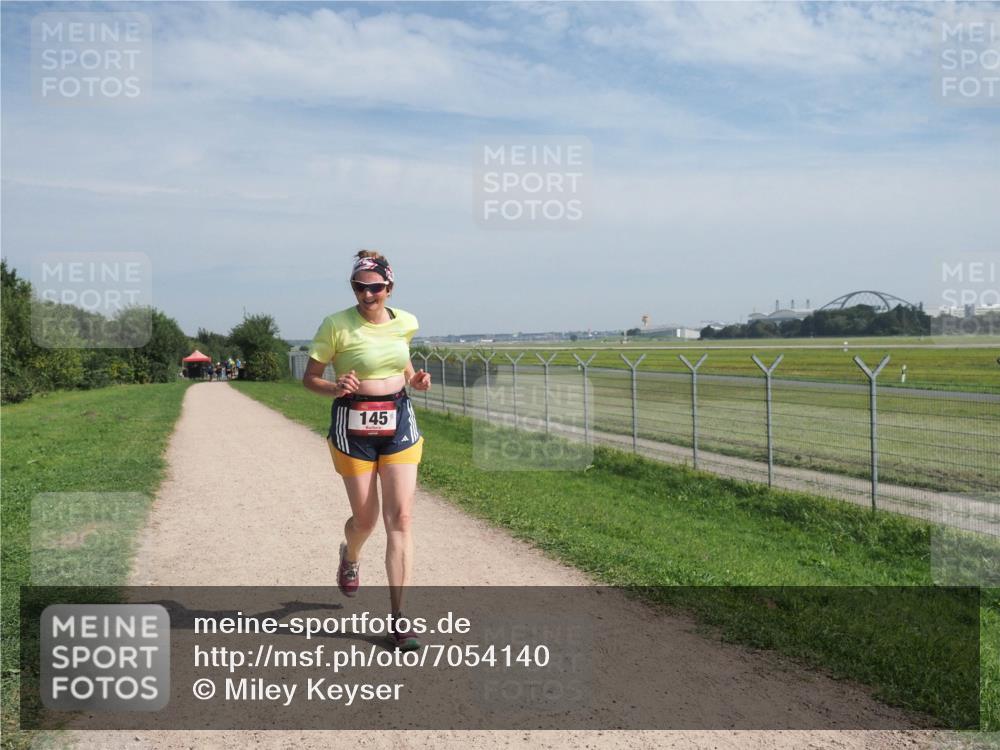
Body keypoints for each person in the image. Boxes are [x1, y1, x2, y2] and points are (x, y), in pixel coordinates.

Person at [302, 250, 431, 651]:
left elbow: (402, 361)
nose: (367, 293)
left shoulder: (406, 322)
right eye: (360, 287)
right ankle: (351, 556)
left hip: (398, 422)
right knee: (366, 519)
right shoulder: (336, 325)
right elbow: (310, 379)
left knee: (401, 518)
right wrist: (334, 387)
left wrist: (416, 380)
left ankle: (399, 620)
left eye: (375, 287)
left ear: (389, 288)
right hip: (353, 425)